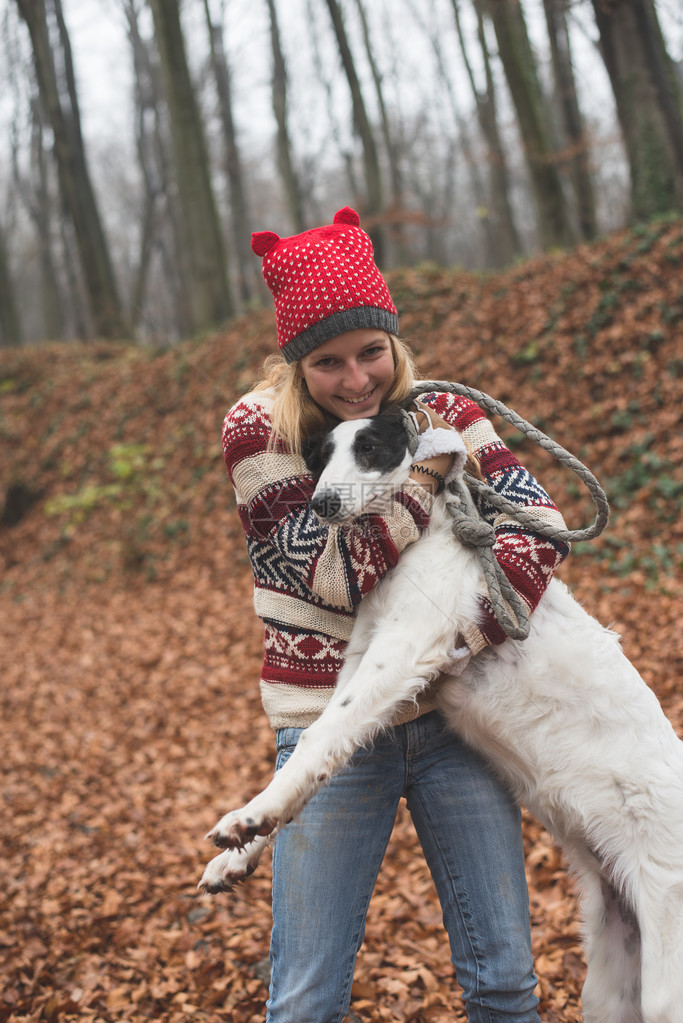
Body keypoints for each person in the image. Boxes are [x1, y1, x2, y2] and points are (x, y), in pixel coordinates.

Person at [221, 207, 569, 1023]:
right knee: (306, 997)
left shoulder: (445, 406)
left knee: (505, 983)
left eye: (370, 352)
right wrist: (426, 478)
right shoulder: (257, 431)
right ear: (295, 362)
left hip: (456, 721)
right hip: (326, 727)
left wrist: (454, 639)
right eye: (327, 361)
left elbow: (541, 528)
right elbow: (333, 576)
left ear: (394, 341)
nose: (354, 380)